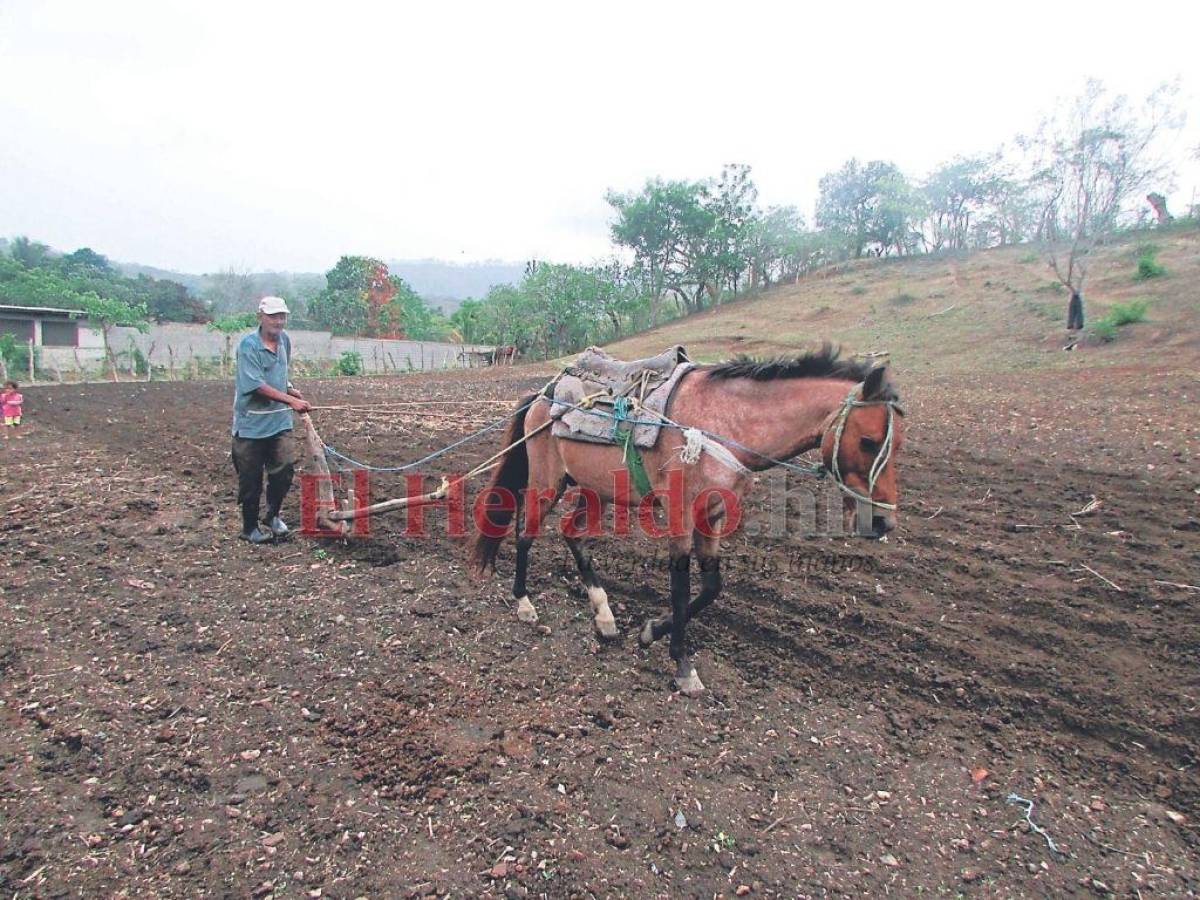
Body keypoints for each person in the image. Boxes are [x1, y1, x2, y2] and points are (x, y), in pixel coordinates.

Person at [231, 297, 311, 543]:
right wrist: (291, 401)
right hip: (251, 424)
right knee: (250, 478)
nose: (278, 321)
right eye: (273, 316)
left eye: (282, 316)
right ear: (261, 316)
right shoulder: (249, 346)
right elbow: (254, 384)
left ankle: (273, 516)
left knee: (284, 470)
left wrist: (290, 389)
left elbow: (279, 373)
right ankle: (249, 527)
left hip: (279, 422)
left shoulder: (284, 341)